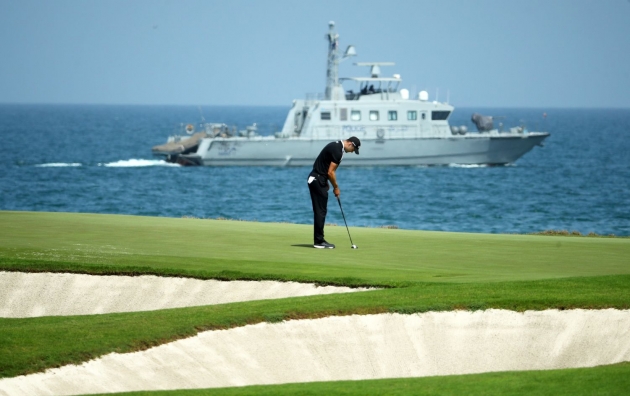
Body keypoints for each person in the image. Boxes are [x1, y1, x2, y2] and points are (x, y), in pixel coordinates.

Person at [307, 137, 361, 248]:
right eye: (353, 150)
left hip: (316, 178)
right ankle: (319, 241)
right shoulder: (338, 151)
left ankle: (319, 240)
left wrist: (324, 181)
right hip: (317, 179)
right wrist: (336, 187)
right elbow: (331, 172)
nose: (351, 152)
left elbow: (321, 164)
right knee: (320, 211)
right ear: (350, 144)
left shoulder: (335, 145)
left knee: (320, 211)